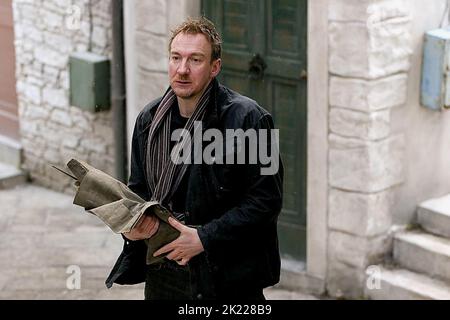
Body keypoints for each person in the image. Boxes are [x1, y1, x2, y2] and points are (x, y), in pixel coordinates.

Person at [106, 17, 283, 300]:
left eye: (195, 60)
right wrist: (132, 225)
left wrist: (203, 238)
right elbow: (139, 191)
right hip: (164, 273)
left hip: (227, 279)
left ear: (215, 67)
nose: (182, 70)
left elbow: (266, 201)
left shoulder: (252, 119)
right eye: (176, 57)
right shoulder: (148, 121)